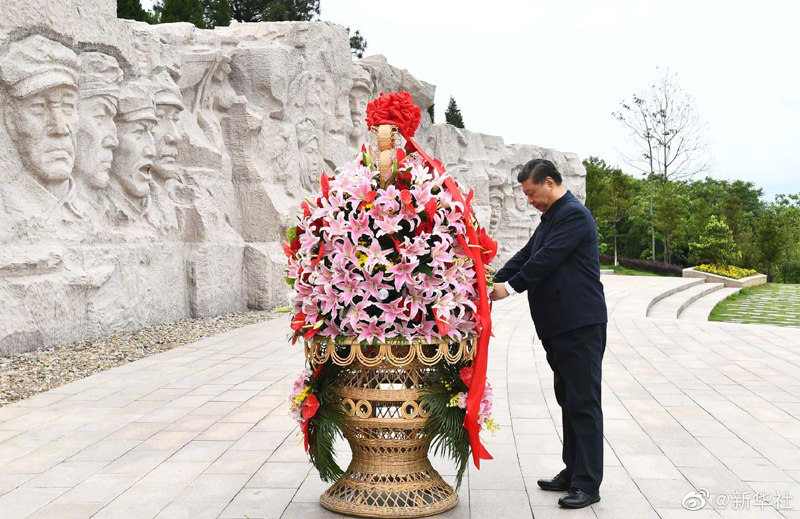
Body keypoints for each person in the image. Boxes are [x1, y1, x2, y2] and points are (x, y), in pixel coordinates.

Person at [490, 158, 607, 509]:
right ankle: (572, 472)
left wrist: (508, 289)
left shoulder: (572, 214)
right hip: (559, 327)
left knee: (583, 404)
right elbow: (528, 255)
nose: (529, 200)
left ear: (551, 182)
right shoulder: (551, 218)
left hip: (580, 325)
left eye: (532, 193)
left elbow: (547, 260)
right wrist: (490, 281)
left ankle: (588, 483)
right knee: (568, 401)